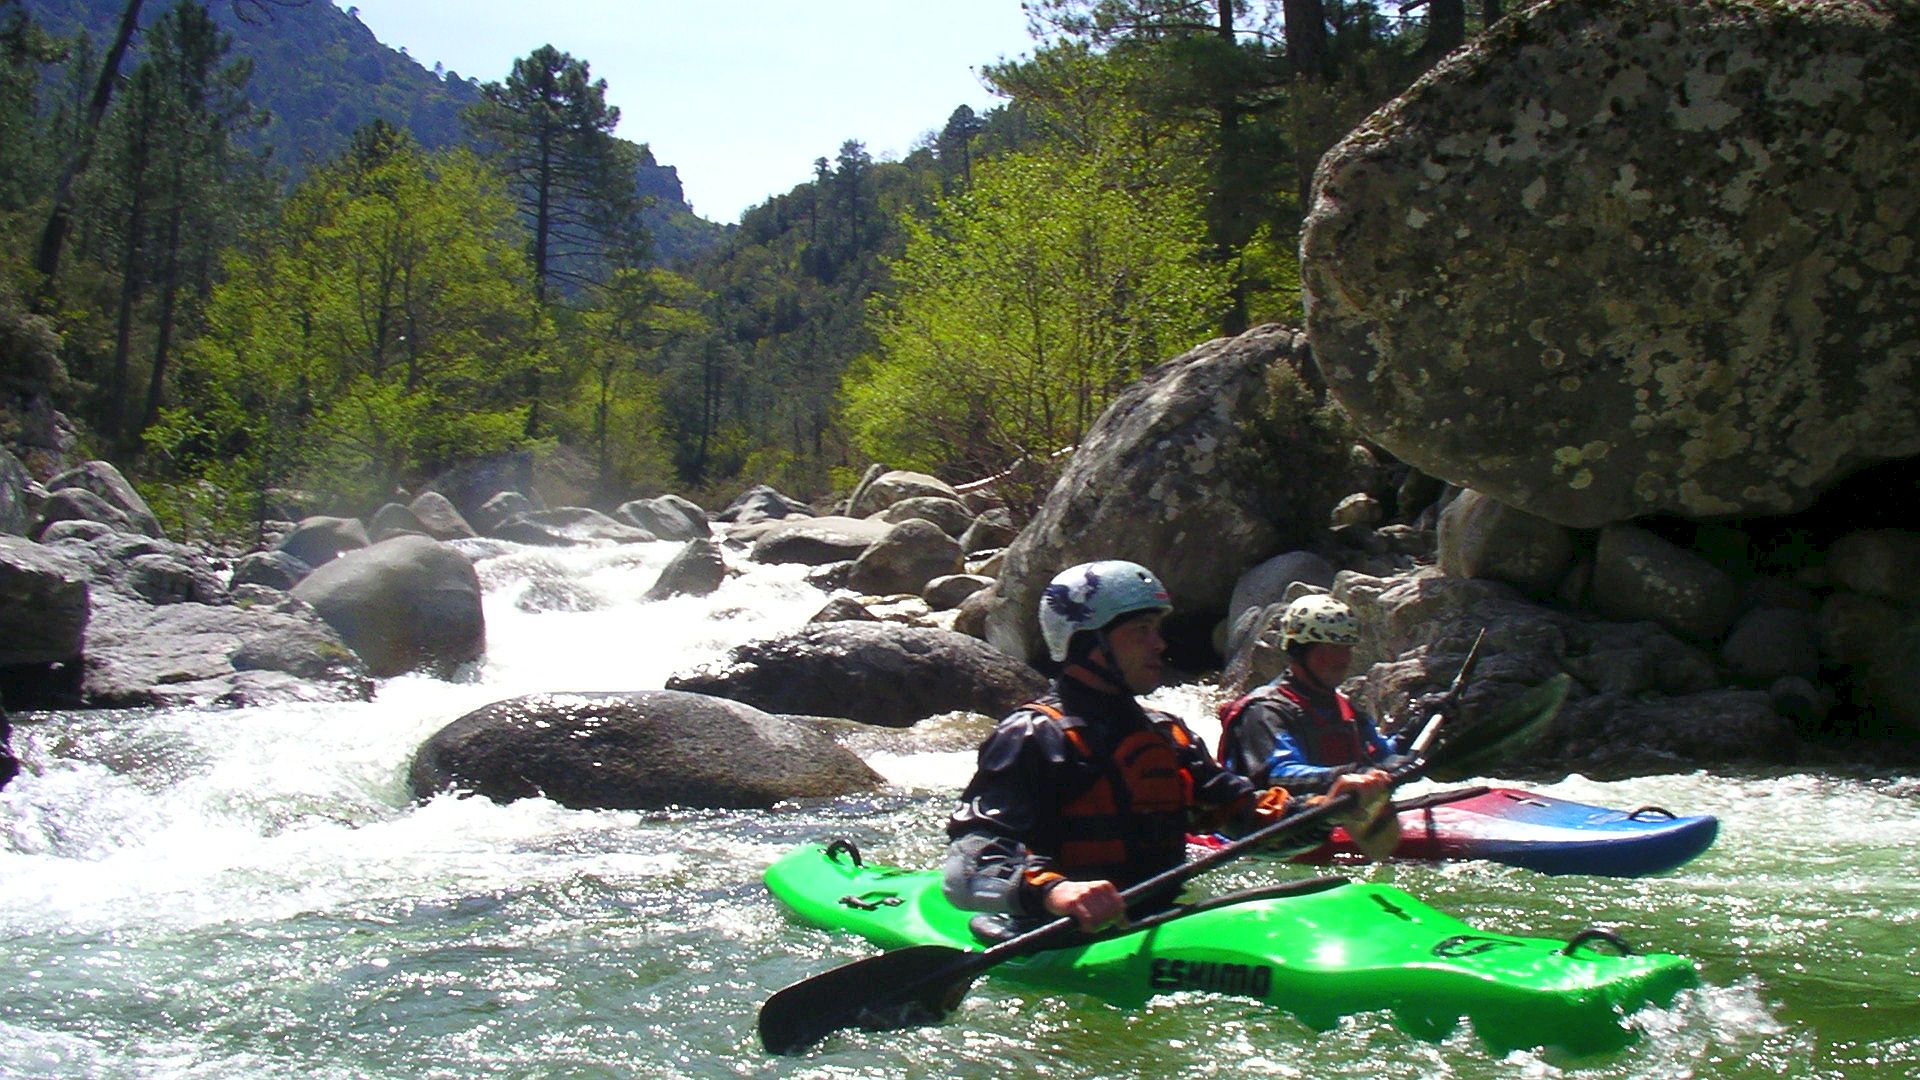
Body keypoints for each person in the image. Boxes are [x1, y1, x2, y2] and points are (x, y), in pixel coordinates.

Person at [943, 561, 1393, 937]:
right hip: (1055, 931)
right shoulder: (1033, 736)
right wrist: (1054, 891)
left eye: (1158, 629)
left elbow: (1244, 818)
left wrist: (1326, 807)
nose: (1161, 644)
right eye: (1142, 631)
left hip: (1155, 922)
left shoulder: (1164, 734)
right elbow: (969, 863)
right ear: (1089, 642)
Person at [1216, 594, 1403, 810]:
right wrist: (1351, 775)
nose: (1342, 659)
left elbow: (1384, 755)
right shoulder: (1264, 712)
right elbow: (1278, 775)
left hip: (1336, 819)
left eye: (1346, 648)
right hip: (1277, 828)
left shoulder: (1343, 706)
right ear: (1299, 651)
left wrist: (1419, 726)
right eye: (1330, 648)